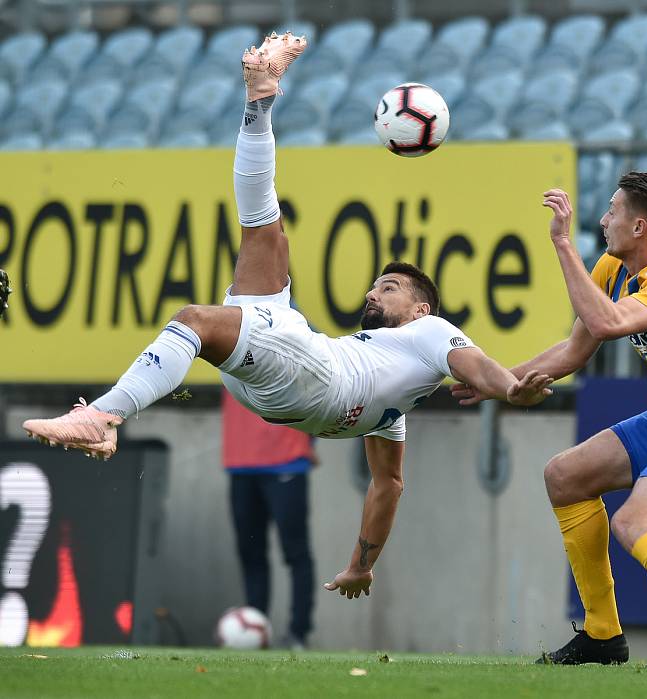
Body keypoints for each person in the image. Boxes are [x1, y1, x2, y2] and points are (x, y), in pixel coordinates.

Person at [22, 32, 553, 602]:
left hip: (313, 376)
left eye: (391, 287)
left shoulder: (431, 331)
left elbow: (477, 365)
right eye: (377, 282)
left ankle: (104, 416)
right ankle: (261, 96)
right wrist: (361, 565)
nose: (376, 291)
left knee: (195, 321)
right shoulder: (392, 406)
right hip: (301, 369)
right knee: (265, 229)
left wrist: (511, 388)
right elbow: (388, 485)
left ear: (422, 308)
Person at [452, 172, 647, 669]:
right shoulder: (613, 266)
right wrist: (498, 380)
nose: (602, 221)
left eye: (612, 212)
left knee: (635, 520)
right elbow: (578, 348)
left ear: (639, 227)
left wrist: (562, 242)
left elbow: (607, 324)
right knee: (565, 475)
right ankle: (602, 637)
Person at [222, 390, 317, 650]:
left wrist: (313, 438)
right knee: (250, 552)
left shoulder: (295, 349)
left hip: (287, 461)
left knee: (295, 552)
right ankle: (255, 628)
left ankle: (299, 632)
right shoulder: (227, 351)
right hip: (240, 463)